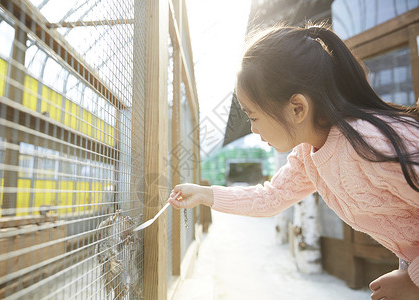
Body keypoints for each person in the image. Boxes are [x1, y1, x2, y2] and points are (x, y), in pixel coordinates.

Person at [167, 24, 419, 300]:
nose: (252, 129)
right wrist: (204, 193)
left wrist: (412, 281)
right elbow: (272, 197)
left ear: (297, 108)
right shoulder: (307, 154)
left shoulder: (370, 145)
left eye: (253, 116)